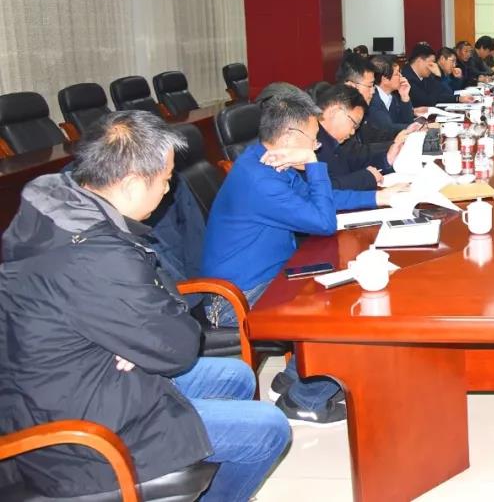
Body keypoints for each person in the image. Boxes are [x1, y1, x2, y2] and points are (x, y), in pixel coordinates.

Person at [0, 111, 290, 501]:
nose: (169, 189)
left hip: (72, 384)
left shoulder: (60, 207)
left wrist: (129, 339)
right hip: (82, 439)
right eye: (166, 179)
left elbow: (161, 304)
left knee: (235, 376)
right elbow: (181, 347)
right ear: (133, 183)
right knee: (269, 428)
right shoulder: (98, 254)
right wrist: (135, 335)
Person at [202, 84, 398, 424]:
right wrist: (312, 163)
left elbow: (318, 199)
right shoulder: (260, 179)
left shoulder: (264, 158)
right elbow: (322, 221)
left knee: (349, 284)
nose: (318, 146)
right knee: (344, 305)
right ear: (291, 138)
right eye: (314, 141)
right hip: (235, 299)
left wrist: (380, 198)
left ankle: (293, 377)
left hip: (273, 274)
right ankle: (303, 400)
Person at [315, 83, 416, 191]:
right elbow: (325, 189)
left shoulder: (335, 140)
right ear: (334, 112)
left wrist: (387, 159)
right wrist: (367, 177)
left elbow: (355, 161)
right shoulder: (310, 140)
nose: (353, 132)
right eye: (354, 124)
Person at [360, 55, 416, 144]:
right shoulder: (372, 99)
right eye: (397, 74)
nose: (401, 77)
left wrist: (405, 96)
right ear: (385, 79)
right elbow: (387, 129)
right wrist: (415, 127)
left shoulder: (393, 97)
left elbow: (407, 121)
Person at [402, 43, 473, 107]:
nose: (434, 65)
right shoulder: (406, 78)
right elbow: (428, 102)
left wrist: (458, 98)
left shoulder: (425, 76)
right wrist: (438, 77)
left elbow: (439, 95)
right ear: (419, 61)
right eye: (431, 62)